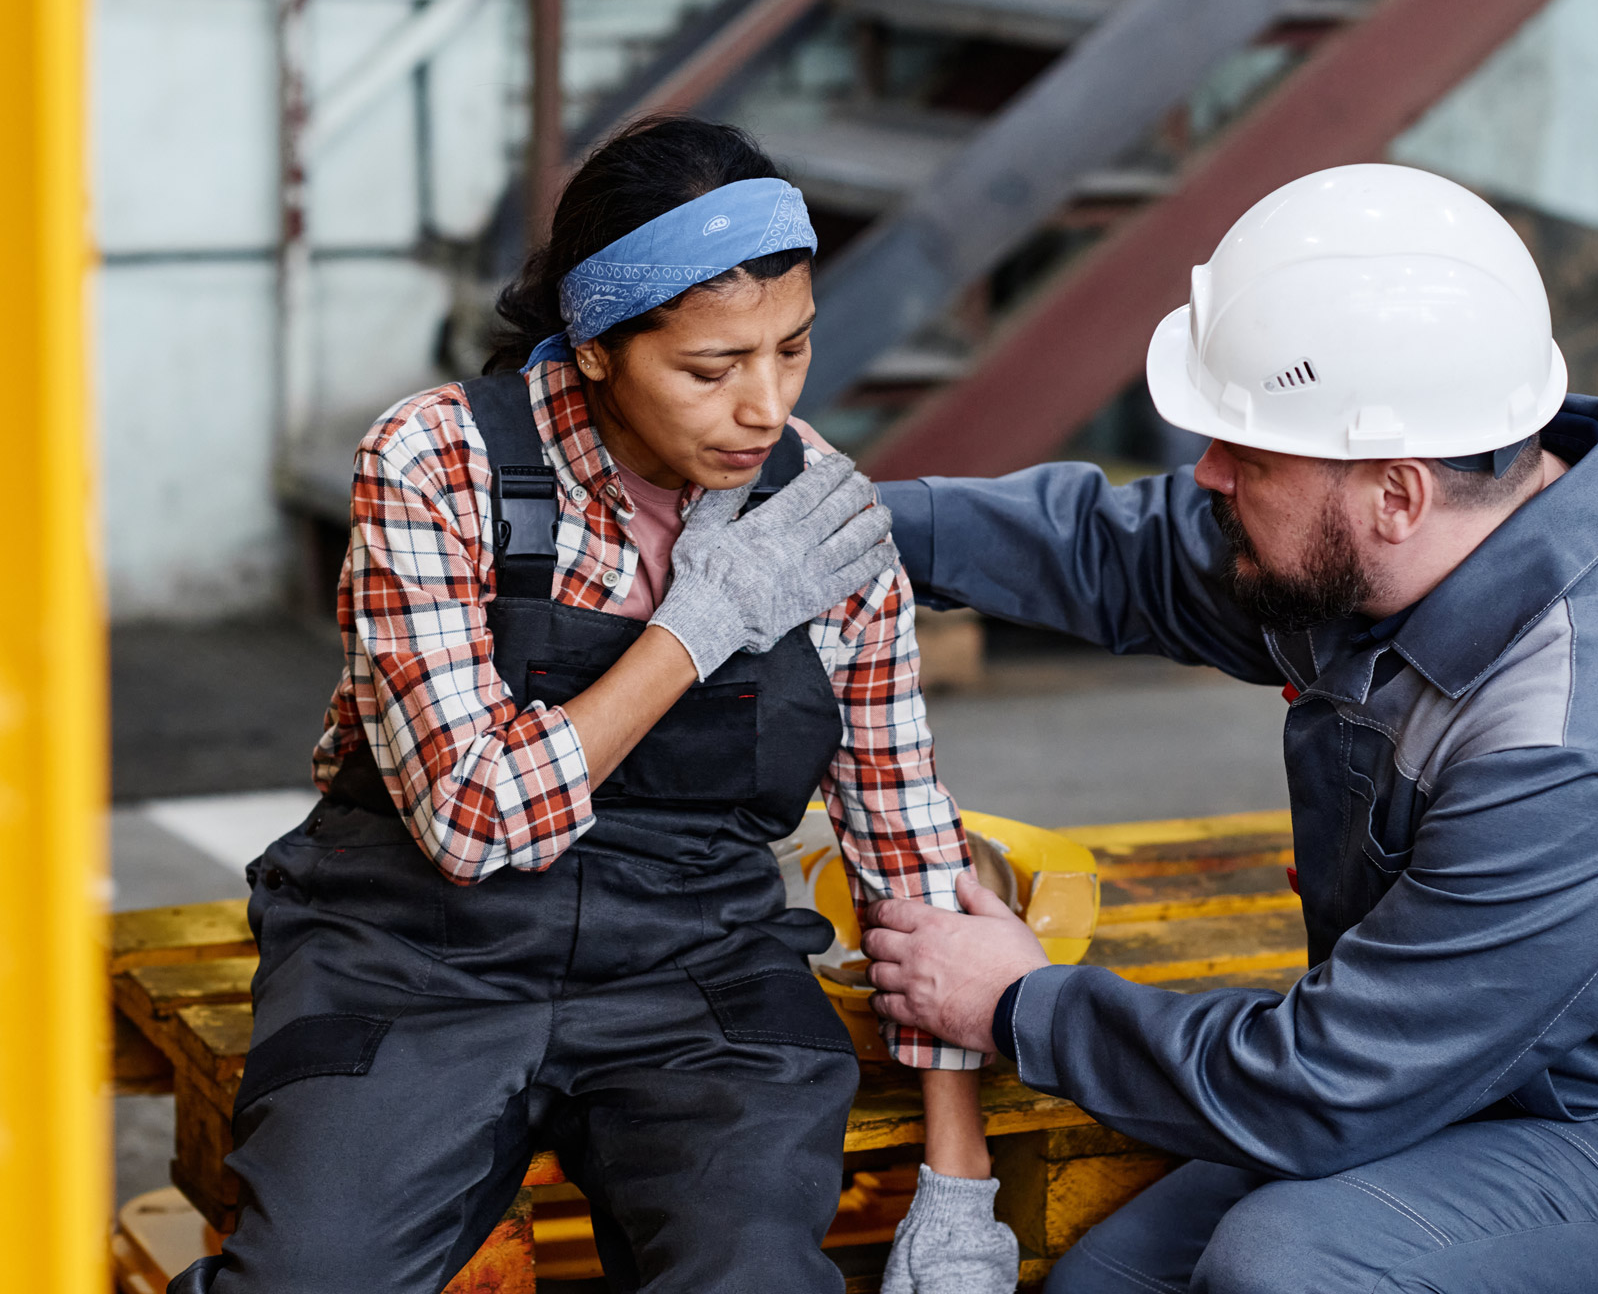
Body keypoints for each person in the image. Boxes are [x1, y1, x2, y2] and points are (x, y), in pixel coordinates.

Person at [860, 165, 1598, 1293]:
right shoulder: (1395, 541)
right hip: (1474, 1070)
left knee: (1292, 1269)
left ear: (1397, 494)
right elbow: (1121, 554)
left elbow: (1322, 1087)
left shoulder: (1578, 750)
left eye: (1248, 456)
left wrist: (1017, 1002)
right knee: (1111, 1286)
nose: (1206, 474)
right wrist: (854, 525)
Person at [170, 119, 1016, 1294]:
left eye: (791, 348)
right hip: (415, 959)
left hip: (694, 972)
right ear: (597, 347)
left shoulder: (818, 517)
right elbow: (470, 820)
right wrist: (696, 626)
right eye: (711, 369)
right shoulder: (437, 463)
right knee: (311, 1276)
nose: (765, 405)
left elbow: (901, 836)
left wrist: (958, 1178)